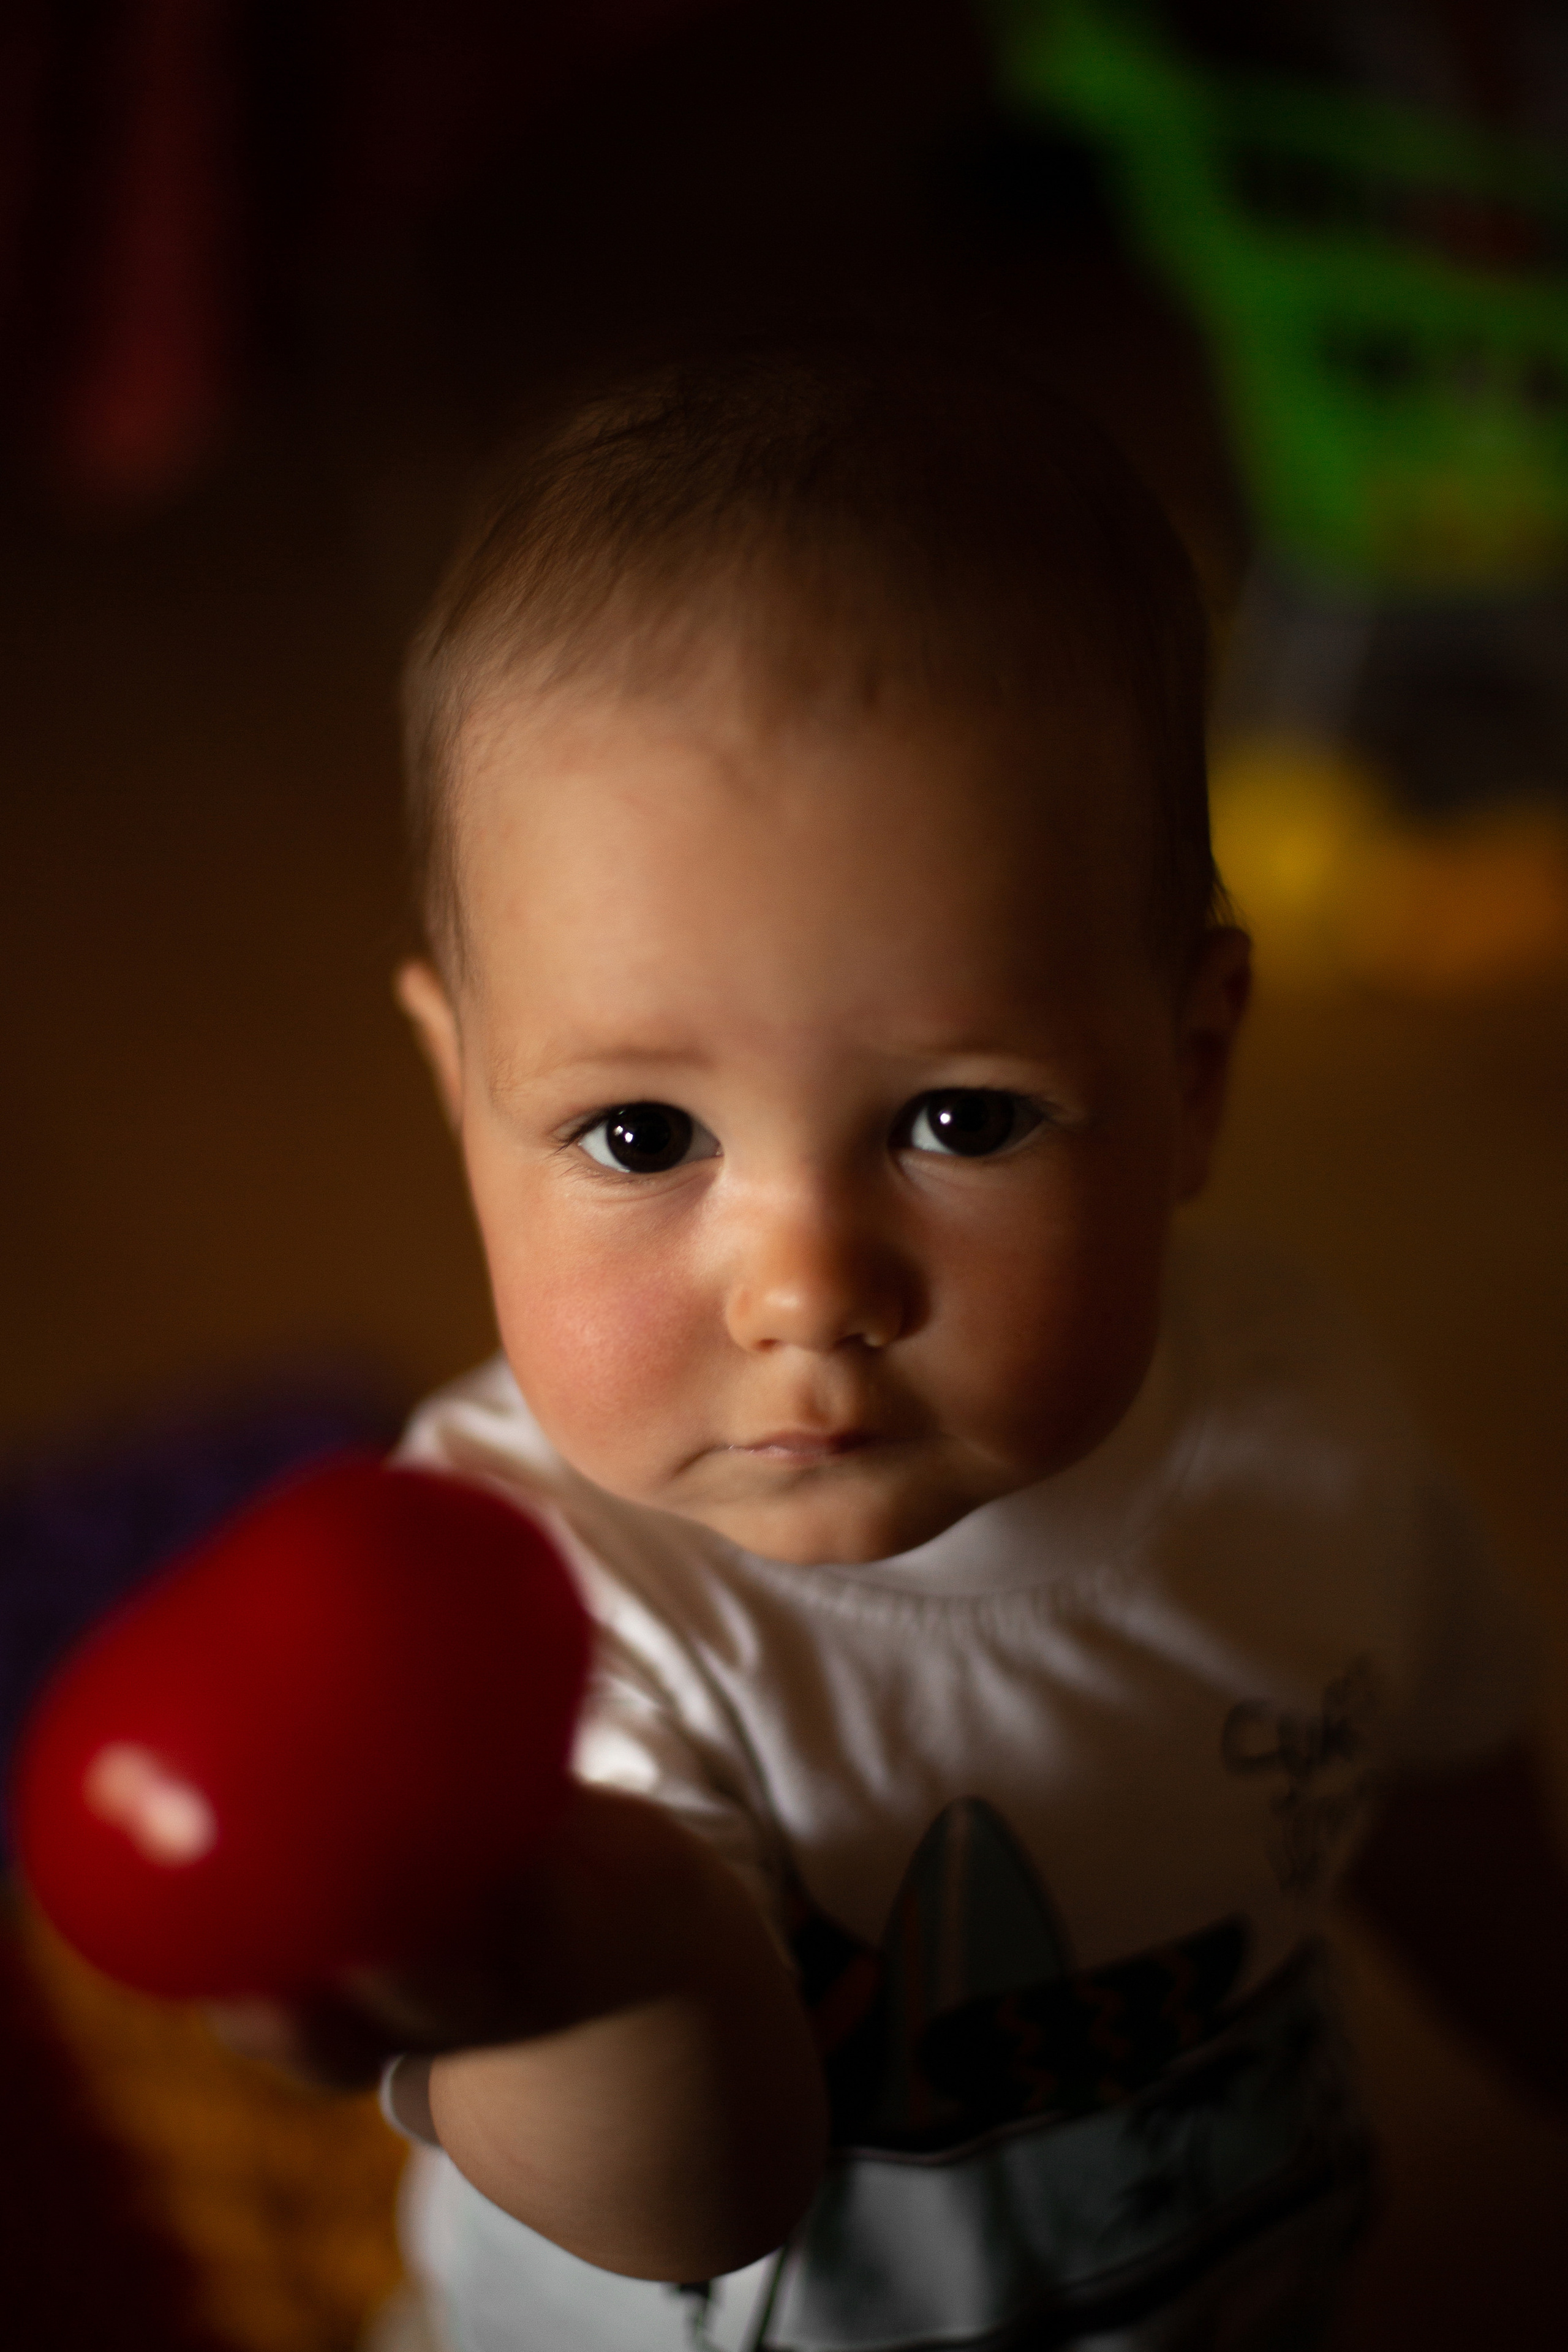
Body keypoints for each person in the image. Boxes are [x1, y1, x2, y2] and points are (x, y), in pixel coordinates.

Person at [238, 338, 1568, 2351]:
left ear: (1192, 1073)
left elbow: (1444, 1796)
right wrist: (570, 1949)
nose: (803, 1288)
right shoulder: (518, 1615)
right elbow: (692, 2200)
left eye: (959, 1119)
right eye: (638, 1135)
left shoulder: (1303, 1423)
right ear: (462, 1089)